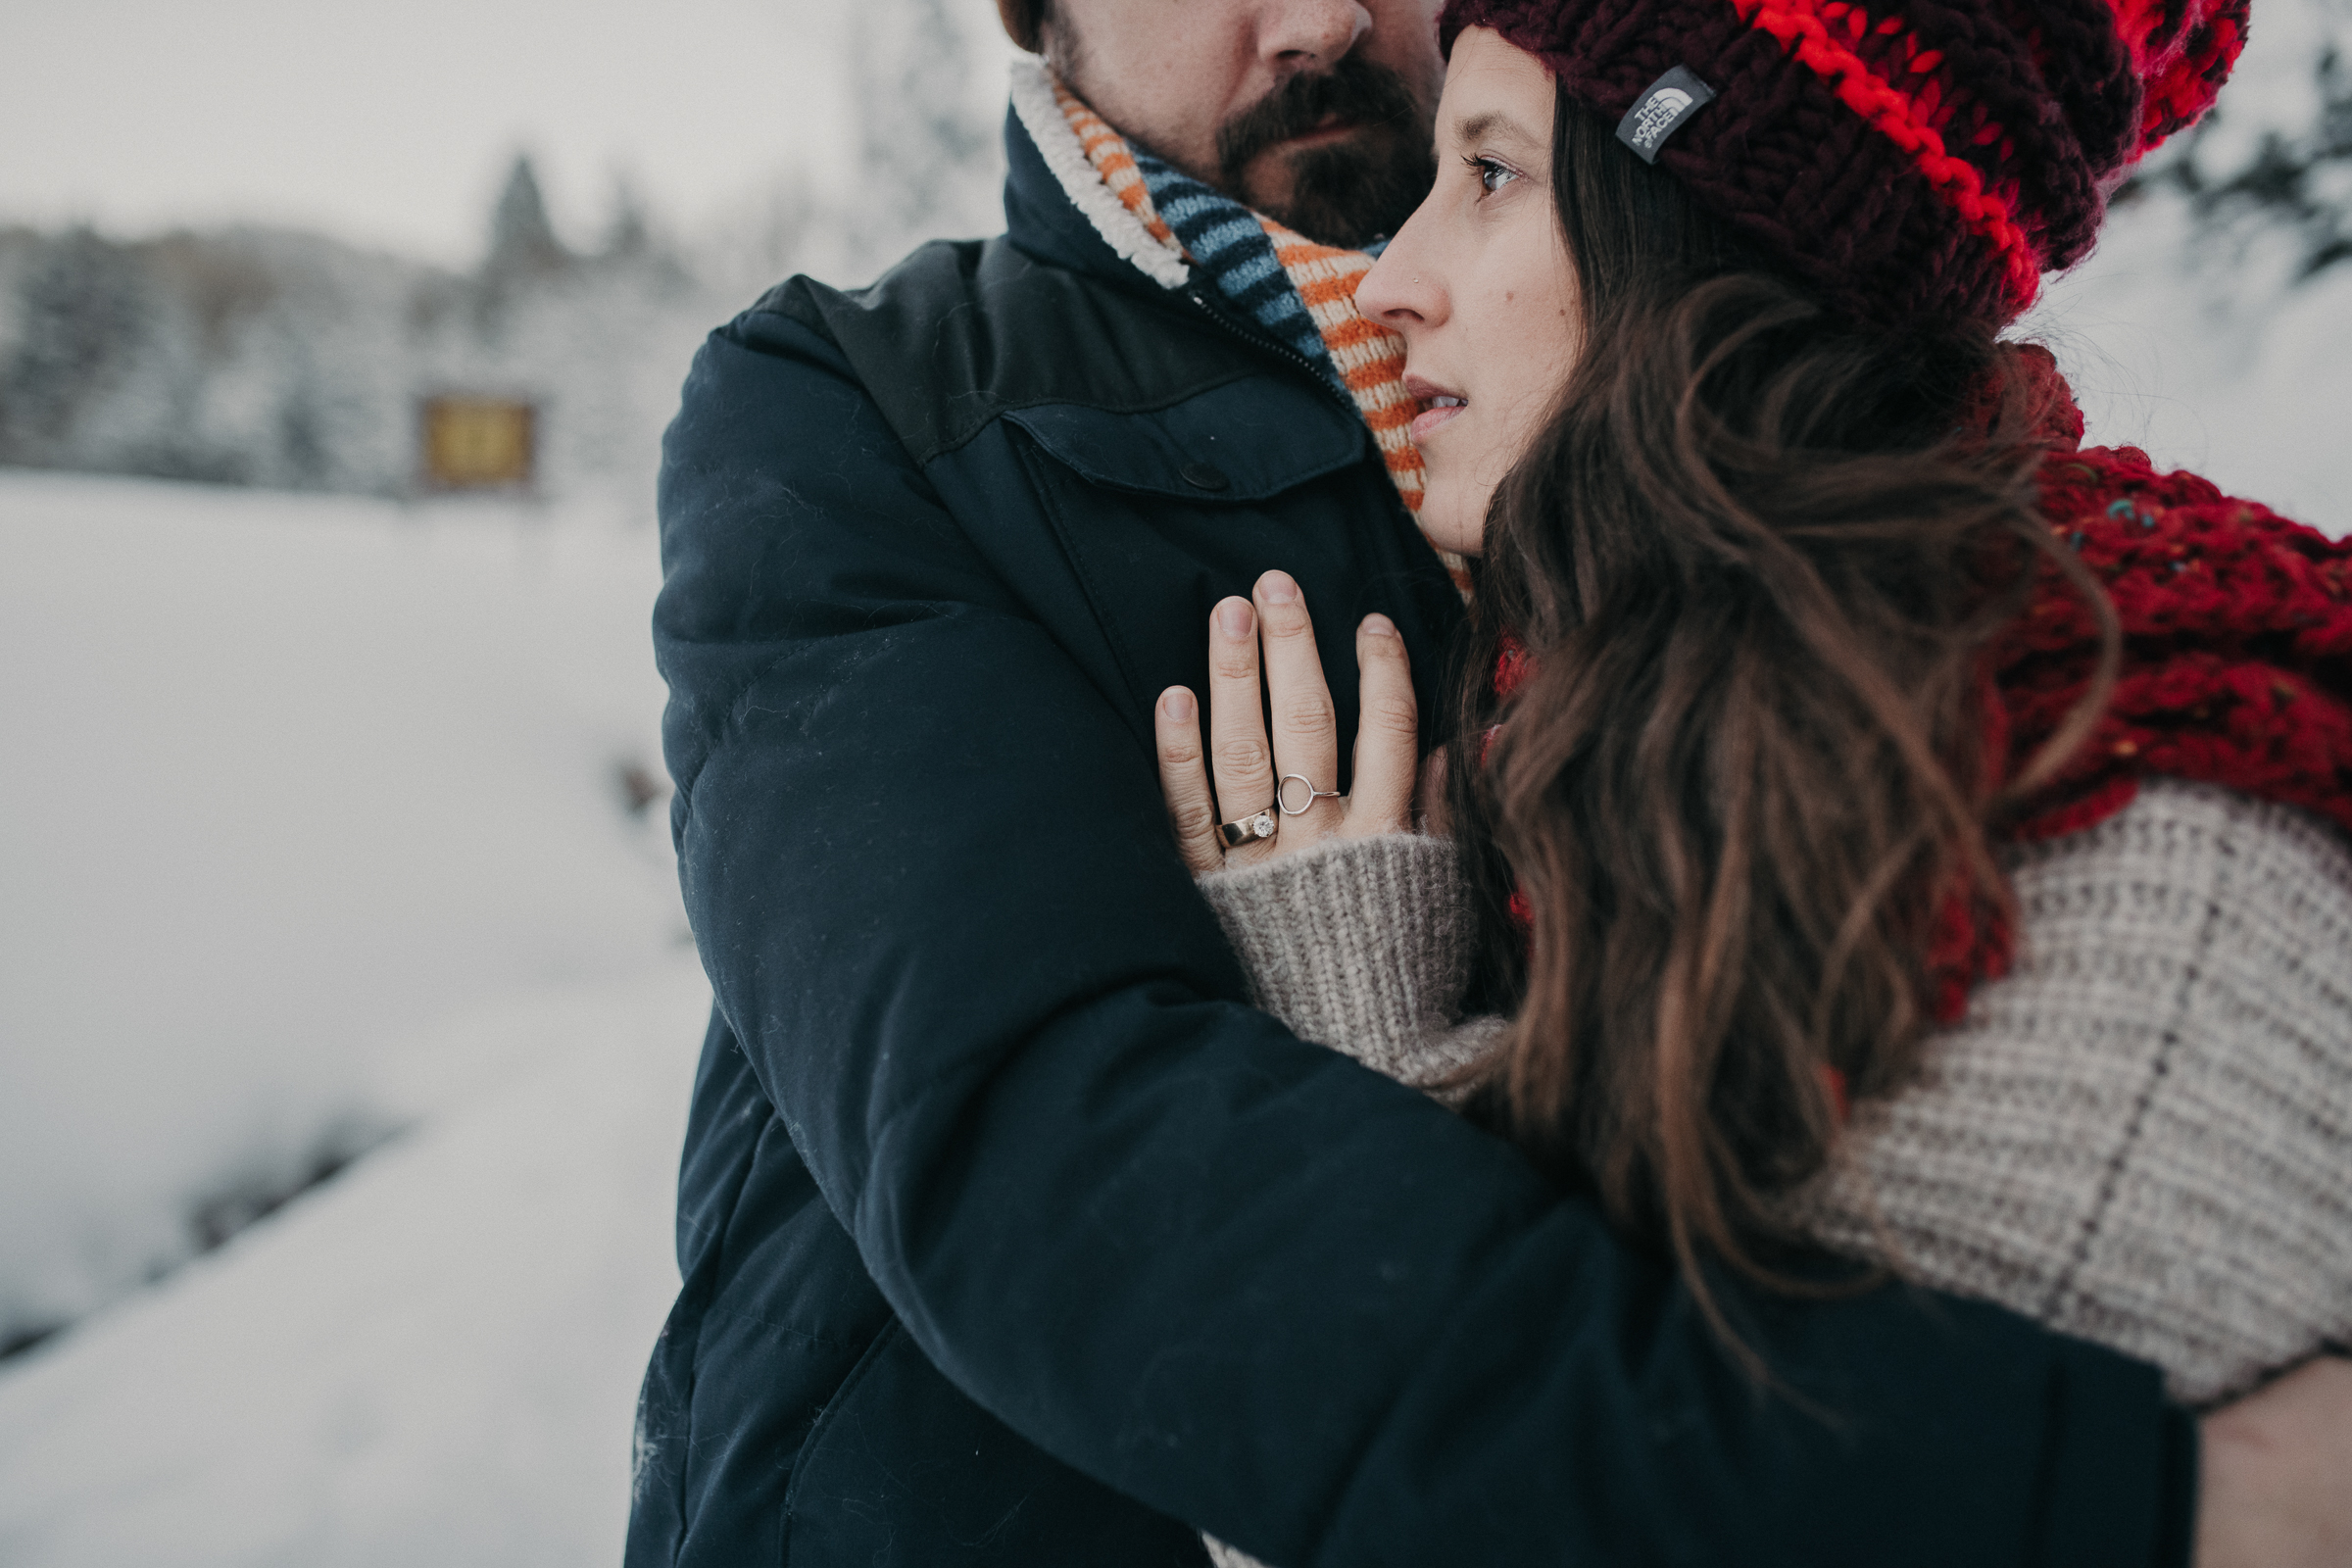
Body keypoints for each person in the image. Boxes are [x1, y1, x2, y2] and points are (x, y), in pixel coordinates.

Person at [630, 0, 2338, 1562]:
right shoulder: (863, 408)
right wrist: (2111, 1505)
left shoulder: (1684, 400)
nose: (1314, 19)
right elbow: (1045, 1148)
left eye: (1496, 174)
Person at [1150, 10, 2352, 1565]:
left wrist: (1361, 1066)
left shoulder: (2133, 838)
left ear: (1711, 235)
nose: (1390, 279)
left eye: (1494, 172)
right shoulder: (1680, 729)